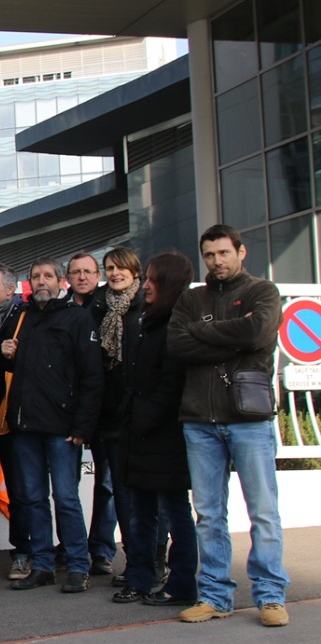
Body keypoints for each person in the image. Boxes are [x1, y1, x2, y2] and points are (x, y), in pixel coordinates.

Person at [168, 224, 290, 627]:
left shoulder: (262, 292)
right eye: (209, 255)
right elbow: (178, 345)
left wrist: (203, 334)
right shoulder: (190, 298)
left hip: (249, 419)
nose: (216, 261)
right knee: (209, 514)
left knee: (264, 512)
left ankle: (270, 596)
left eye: (223, 253)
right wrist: (230, 339)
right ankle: (215, 596)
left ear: (241, 252)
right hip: (199, 421)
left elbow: (258, 332)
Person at [3, 258, 103, 593]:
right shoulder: (22, 317)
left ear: (62, 281)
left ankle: (77, 565)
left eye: (48, 276)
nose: (41, 281)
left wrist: (83, 425)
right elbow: (0, 364)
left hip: (63, 427)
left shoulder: (78, 317)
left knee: (65, 498)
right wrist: (3, 352)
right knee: (32, 498)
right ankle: (43, 564)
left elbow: (92, 377)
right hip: (25, 425)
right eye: (35, 276)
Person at [114, 251, 198, 607]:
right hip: (139, 430)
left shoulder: (177, 324)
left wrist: (144, 417)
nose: (144, 285)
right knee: (140, 512)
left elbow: (172, 383)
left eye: (152, 279)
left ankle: (181, 585)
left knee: (175, 513)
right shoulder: (142, 321)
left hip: (166, 434)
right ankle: (139, 579)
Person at [89, 249, 145, 581]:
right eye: (110, 267)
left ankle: (142, 559)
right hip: (107, 411)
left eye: (121, 267)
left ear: (134, 270)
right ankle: (103, 551)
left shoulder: (145, 304)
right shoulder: (99, 305)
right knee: (108, 485)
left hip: (138, 410)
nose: (115, 272)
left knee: (132, 489)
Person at [67, 251, 117, 575]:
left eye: (88, 271)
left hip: (108, 409)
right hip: (69, 411)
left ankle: (101, 548)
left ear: (97, 275)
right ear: (67, 278)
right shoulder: (59, 310)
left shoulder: (112, 308)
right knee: (67, 484)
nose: (82, 277)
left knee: (108, 483)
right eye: (76, 272)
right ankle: (71, 546)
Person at [0, 263, 30, 580]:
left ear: (11, 290)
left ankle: (23, 553)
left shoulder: (26, 318)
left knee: (20, 487)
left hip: (12, 416)